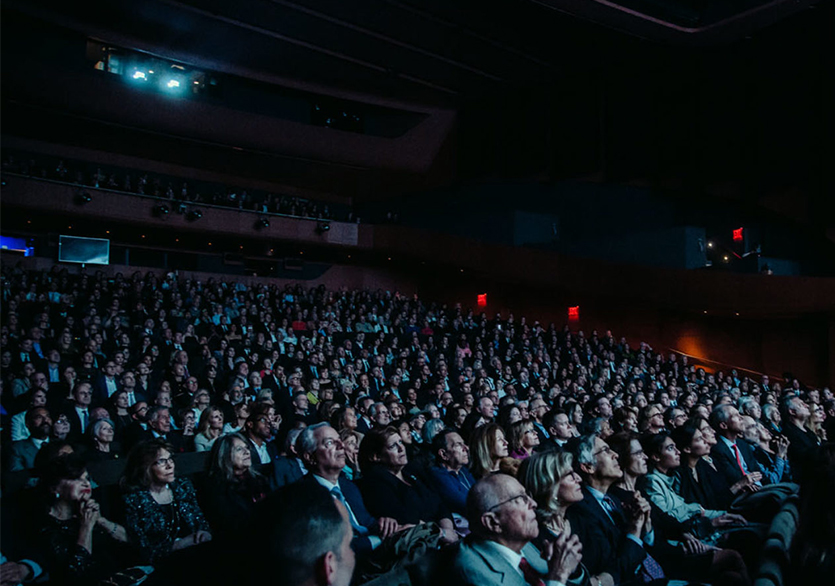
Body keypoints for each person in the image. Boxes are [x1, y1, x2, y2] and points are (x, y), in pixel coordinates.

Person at [452, 473, 583, 586]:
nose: (534, 504)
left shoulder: (518, 542)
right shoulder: (473, 572)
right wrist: (557, 577)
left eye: (528, 495)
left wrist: (569, 568)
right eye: (521, 498)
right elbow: (555, 579)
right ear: (492, 522)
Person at [294, 423, 404, 557]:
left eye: (339, 440)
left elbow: (365, 523)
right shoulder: (302, 497)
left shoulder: (348, 486)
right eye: (330, 443)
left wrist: (384, 525)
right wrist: (378, 540)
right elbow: (328, 549)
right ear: (310, 457)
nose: (341, 446)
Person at [565, 434, 662, 585]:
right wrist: (635, 530)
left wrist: (645, 522)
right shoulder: (581, 510)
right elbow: (614, 570)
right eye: (606, 450)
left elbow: (647, 549)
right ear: (588, 466)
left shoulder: (614, 500)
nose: (615, 455)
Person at [518, 450, 612, 586]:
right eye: (570, 475)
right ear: (549, 485)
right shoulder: (533, 537)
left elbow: (613, 565)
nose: (579, 478)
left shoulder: (582, 517)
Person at [37, 453, 133, 585]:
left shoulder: (91, 508)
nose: (85, 483)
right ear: (54, 488)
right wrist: (86, 527)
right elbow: (74, 574)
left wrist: (101, 521)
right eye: (76, 478)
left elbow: (130, 541)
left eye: (87, 478)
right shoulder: (45, 524)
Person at [357, 426, 457, 540]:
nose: (401, 448)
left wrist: (448, 530)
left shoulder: (412, 471)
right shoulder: (374, 483)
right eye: (393, 446)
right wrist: (442, 534)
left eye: (400, 442)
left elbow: (440, 505)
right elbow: (407, 520)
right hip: (423, 545)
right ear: (376, 456)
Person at [121, 439, 211, 563]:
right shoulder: (135, 500)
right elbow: (143, 548)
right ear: (145, 467)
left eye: (170, 459)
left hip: (197, 554)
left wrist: (204, 532)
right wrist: (180, 544)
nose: (170, 465)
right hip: (162, 564)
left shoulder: (183, 486)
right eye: (161, 462)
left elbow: (200, 520)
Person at [201, 433, 270, 535]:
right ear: (225, 455)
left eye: (247, 448)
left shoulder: (259, 479)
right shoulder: (217, 487)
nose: (246, 452)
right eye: (239, 449)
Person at [427, 429, 476, 517]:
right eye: (458, 445)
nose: (466, 448)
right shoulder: (438, 476)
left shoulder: (463, 470)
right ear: (443, 454)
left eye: (464, 443)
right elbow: (463, 504)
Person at [9, 407, 51, 472]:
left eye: (47, 416)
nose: (45, 420)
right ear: (28, 424)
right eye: (39, 417)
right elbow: (16, 476)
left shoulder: (60, 444)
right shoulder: (17, 448)